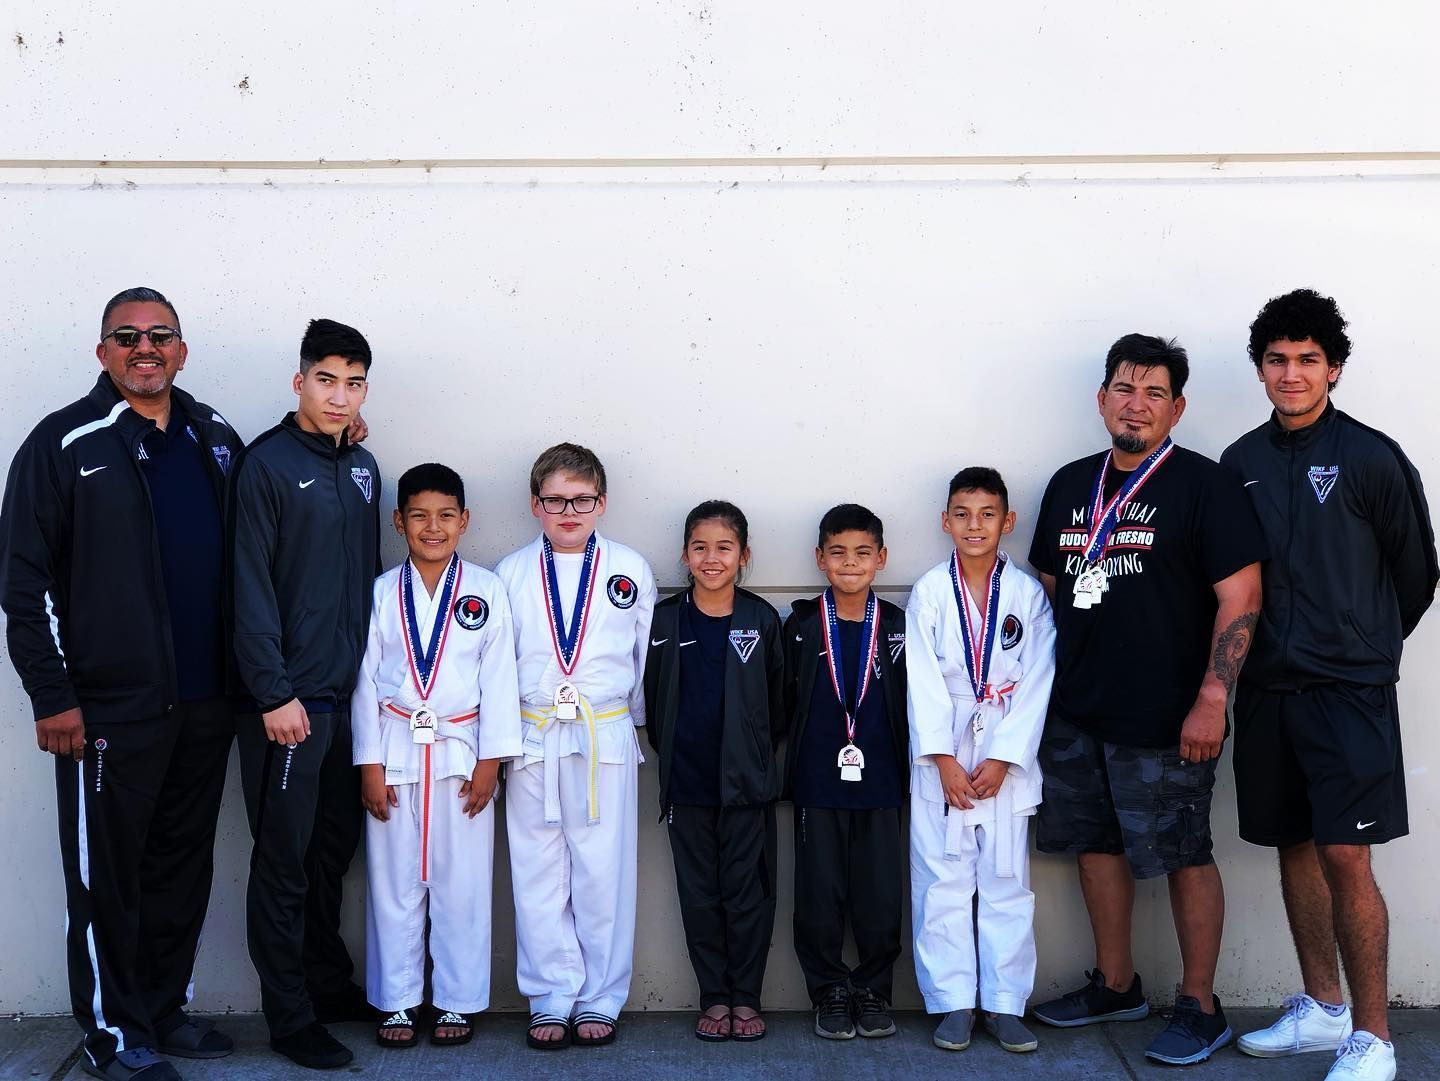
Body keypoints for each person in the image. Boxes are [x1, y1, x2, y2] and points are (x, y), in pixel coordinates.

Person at [0, 287, 240, 1081]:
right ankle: (111, 1031)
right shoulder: (64, 443)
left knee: (181, 865)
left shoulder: (214, 438)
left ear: (182, 349)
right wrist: (54, 694)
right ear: (102, 351)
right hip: (107, 707)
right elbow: (23, 583)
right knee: (106, 879)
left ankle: (164, 1011)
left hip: (205, 702)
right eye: (127, 335)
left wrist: (339, 437)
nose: (145, 346)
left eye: (160, 334)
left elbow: (262, 516)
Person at [1027, 333, 1266, 1066]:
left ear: (1177, 407)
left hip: (1169, 716)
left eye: (1155, 392)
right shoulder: (1069, 484)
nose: (1137, 404)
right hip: (1076, 712)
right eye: (1125, 388)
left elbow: (1242, 595)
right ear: (1103, 399)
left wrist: (1212, 699)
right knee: (1096, 847)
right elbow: (1044, 592)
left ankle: (1200, 1003)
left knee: (1186, 852)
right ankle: (1118, 983)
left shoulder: (1205, 485)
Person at [1221, 290, 1436, 1081]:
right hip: (1269, 690)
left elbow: (1416, 575)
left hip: (1349, 691)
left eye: (1308, 359)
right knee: (1296, 843)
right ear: (1260, 369)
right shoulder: (1239, 463)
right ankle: (1323, 1008)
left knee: (1348, 853)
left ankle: (1374, 1037)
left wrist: (1360, 643)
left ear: (1334, 368)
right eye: (1277, 359)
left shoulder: (1374, 457)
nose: (1292, 373)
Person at [231, 318, 381, 1070]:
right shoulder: (264, 465)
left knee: (332, 854)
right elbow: (248, 588)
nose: (339, 395)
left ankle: (326, 983)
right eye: (327, 379)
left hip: (350, 701)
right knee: (284, 861)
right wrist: (272, 691)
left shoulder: (362, 467)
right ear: (300, 382)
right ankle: (289, 1016)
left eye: (353, 382)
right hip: (289, 705)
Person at [352, 463, 522, 1049]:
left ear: (465, 521)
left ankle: (456, 1000)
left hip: (461, 753)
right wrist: (368, 765)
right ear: (398, 521)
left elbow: (500, 677)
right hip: (396, 751)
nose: (433, 527)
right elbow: (366, 682)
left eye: (446, 516)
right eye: (419, 516)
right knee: (394, 881)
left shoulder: (486, 588)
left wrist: (492, 761)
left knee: (463, 883)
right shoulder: (379, 591)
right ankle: (398, 1001)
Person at [494, 443, 657, 1049]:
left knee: (602, 871)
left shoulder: (628, 569)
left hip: (602, 733)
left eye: (582, 500)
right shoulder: (508, 574)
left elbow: (641, 658)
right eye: (557, 500)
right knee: (537, 870)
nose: (570, 510)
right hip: (534, 734)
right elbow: (499, 665)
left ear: (602, 503)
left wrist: (631, 724)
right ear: (536, 504)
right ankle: (549, 995)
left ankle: (599, 997)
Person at [906, 467, 1056, 1054]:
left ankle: (1004, 1001)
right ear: (945, 522)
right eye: (963, 514)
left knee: (1005, 880)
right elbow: (922, 682)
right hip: (943, 749)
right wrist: (943, 759)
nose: (975, 525)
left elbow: (1039, 678)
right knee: (941, 878)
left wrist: (1003, 758)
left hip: (1002, 746)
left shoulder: (1026, 595)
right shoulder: (928, 592)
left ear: (1007, 522)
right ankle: (952, 1002)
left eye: (987, 514)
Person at [643, 500, 784, 1041]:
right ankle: (714, 997)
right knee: (699, 896)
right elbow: (654, 704)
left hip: (746, 789)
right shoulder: (665, 619)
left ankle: (746, 998)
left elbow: (778, 707)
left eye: (724, 547)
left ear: (743, 555)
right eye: (700, 547)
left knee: (747, 895)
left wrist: (749, 757)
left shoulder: (761, 620)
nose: (711, 558)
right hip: (688, 785)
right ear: (684, 554)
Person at [782, 504, 908, 1042]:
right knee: (818, 894)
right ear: (819, 559)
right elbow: (780, 701)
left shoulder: (900, 624)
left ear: (881, 558)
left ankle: (875, 990)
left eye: (862, 552)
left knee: (880, 895)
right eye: (837, 552)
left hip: (881, 783)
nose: (849, 563)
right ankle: (830, 990)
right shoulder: (802, 625)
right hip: (817, 783)